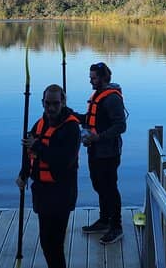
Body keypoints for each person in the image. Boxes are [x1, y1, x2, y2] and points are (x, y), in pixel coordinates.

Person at [16, 84, 81, 268]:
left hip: (62, 193)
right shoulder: (39, 124)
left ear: (63, 102)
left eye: (55, 104)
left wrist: (38, 147)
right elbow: (29, 152)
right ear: (42, 103)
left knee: (55, 243)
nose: (51, 108)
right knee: (45, 241)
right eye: (47, 104)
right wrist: (23, 174)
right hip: (42, 192)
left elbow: (64, 160)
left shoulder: (71, 128)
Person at [78, 61, 127, 245]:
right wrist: (71, 114)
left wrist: (97, 138)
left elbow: (121, 126)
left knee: (110, 189)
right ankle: (104, 219)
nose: (91, 81)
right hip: (95, 151)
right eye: (90, 77)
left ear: (104, 78)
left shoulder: (112, 99)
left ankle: (116, 227)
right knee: (99, 186)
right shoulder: (97, 95)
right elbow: (91, 119)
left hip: (108, 153)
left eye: (94, 78)